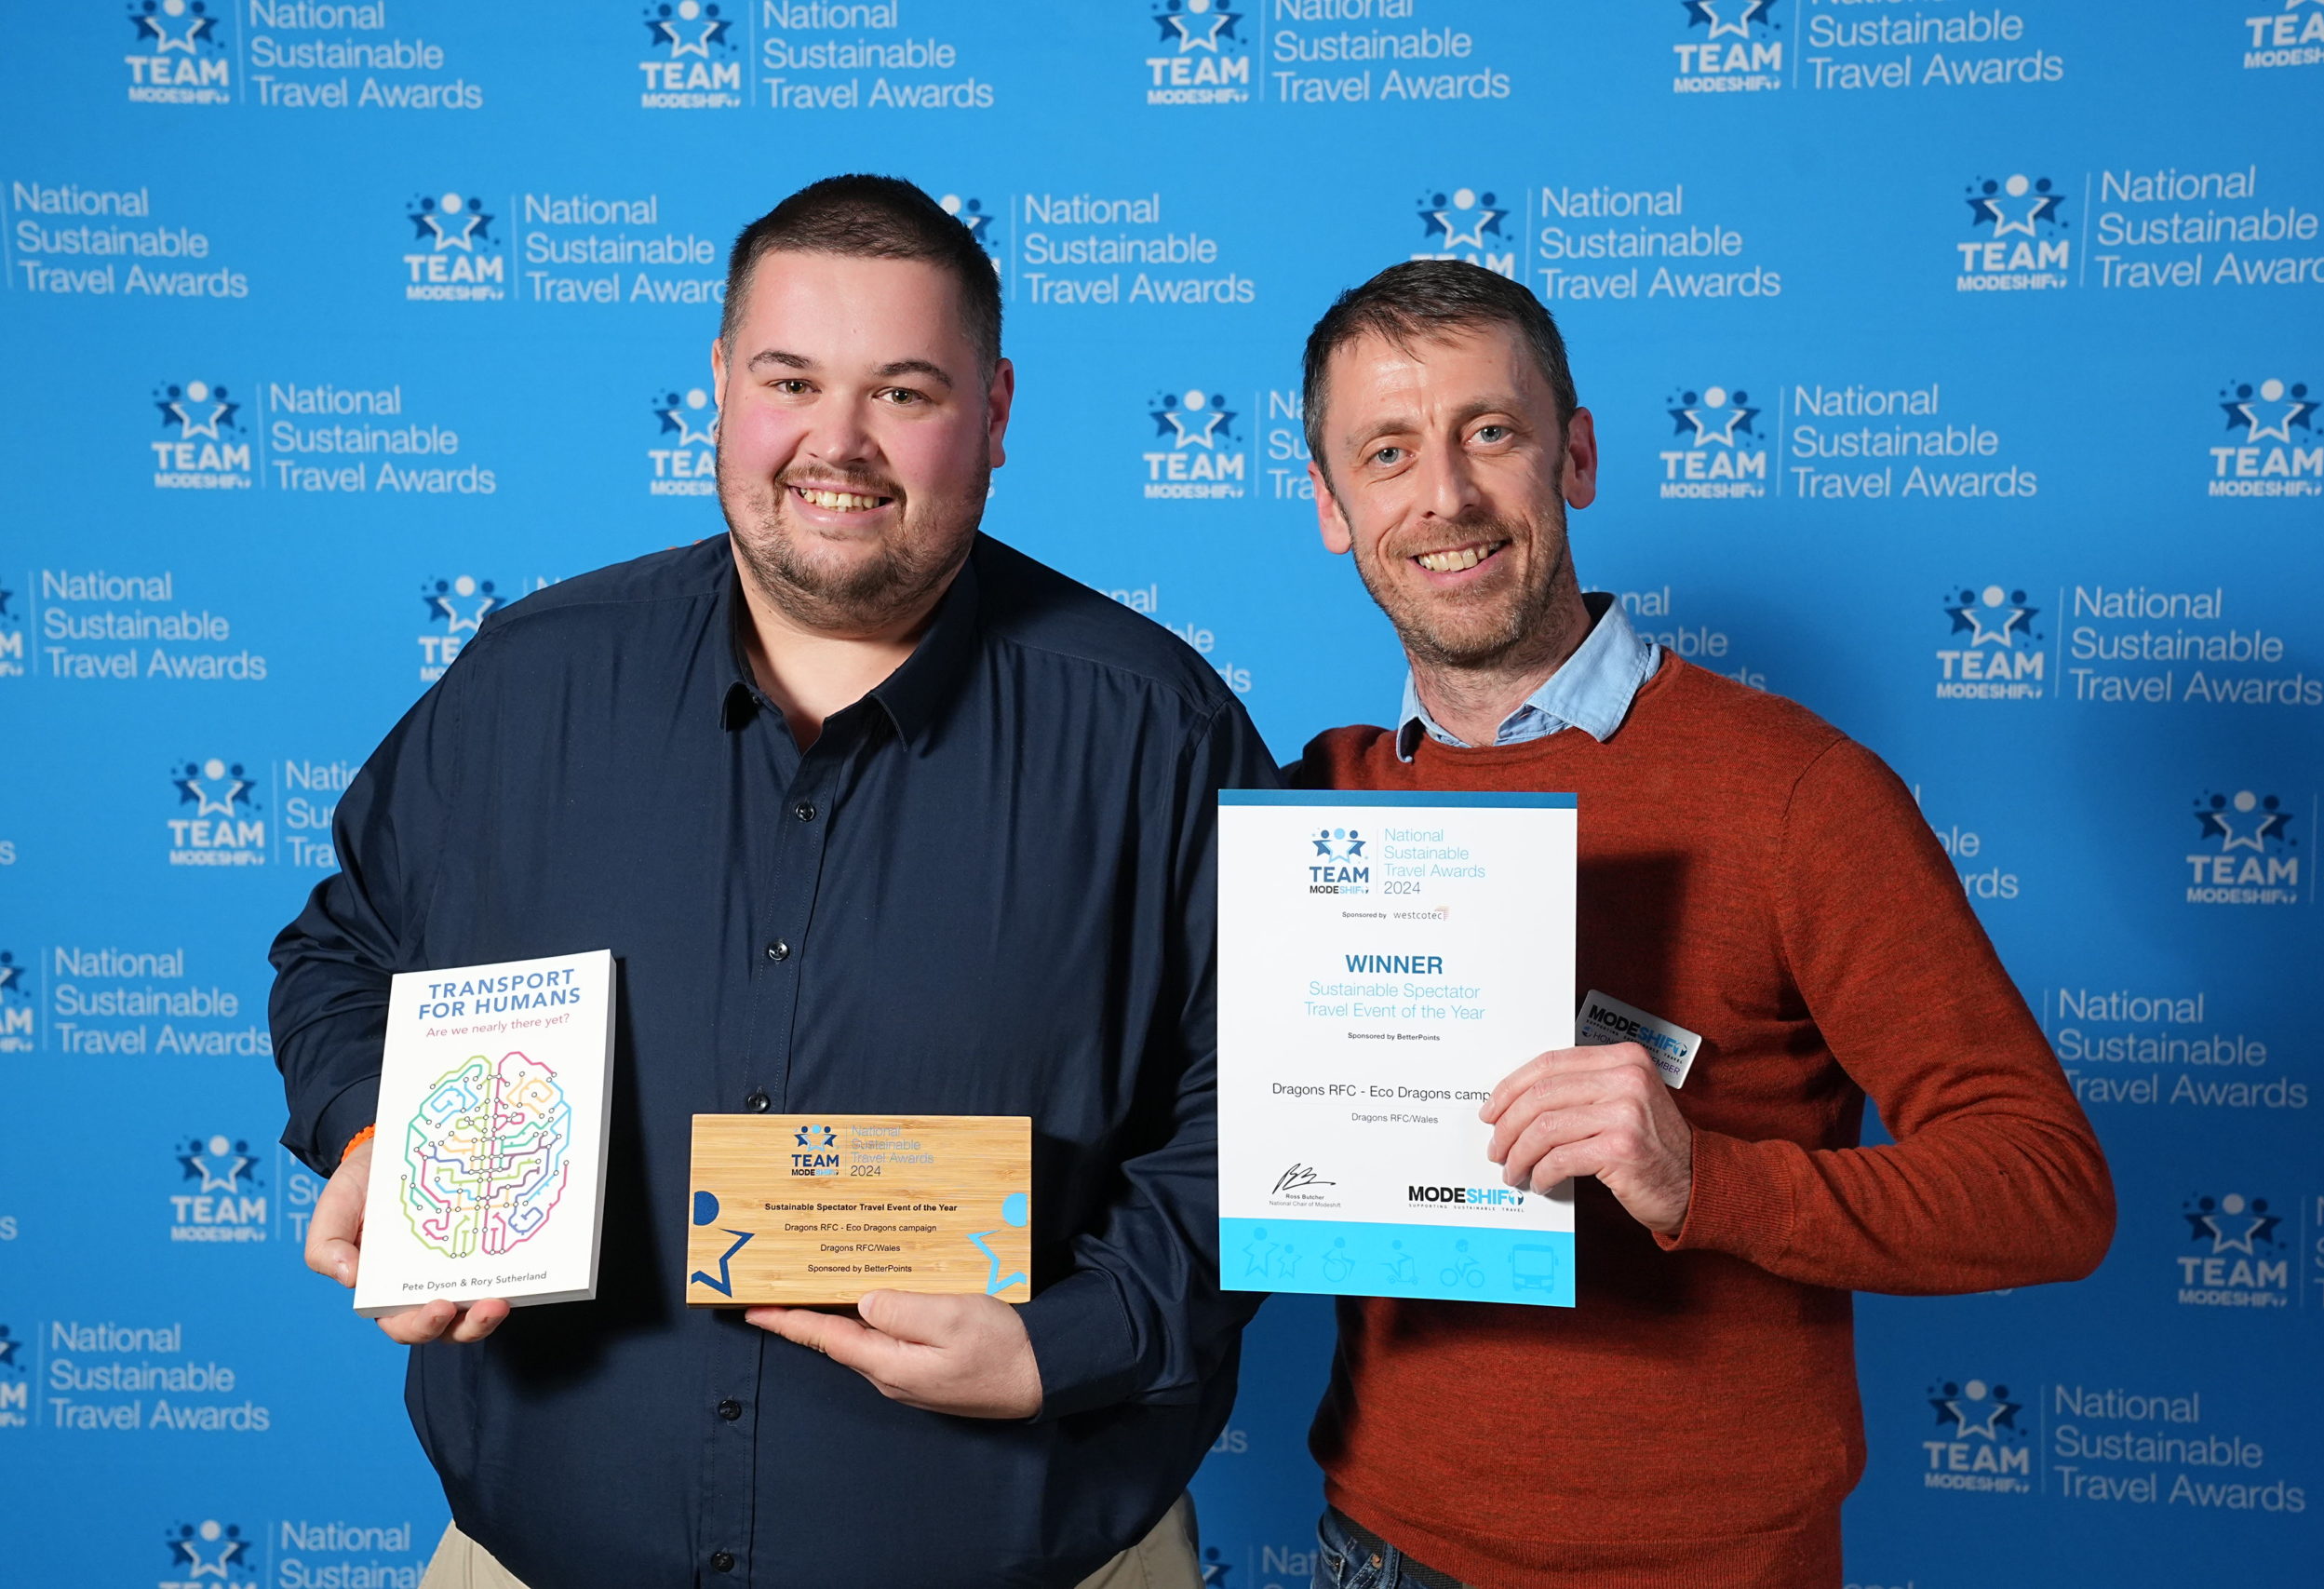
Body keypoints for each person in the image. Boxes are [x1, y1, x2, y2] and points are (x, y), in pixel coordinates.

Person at [269, 174, 1273, 1589]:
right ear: (720, 387)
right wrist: (383, 1134)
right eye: (791, 379)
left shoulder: (1157, 730)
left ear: (992, 413)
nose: (837, 445)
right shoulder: (529, 682)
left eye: (904, 392)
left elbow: (1270, 1114)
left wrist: (1072, 1337)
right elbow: (343, 951)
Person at [1285, 260, 2116, 1589]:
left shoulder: (1798, 793)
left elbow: (2050, 1191)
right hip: (1379, 1545)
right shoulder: (1320, 796)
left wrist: (1702, 1180)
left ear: (1579, 455)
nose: (1444, 495)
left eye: (1489, 432)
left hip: (1698, 1564)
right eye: (1388, 452)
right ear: (1333, 507)